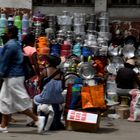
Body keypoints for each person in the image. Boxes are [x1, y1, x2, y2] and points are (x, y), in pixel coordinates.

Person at [0, 26, 45, 133]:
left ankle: (37, 119)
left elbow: (5, 62)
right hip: (12, 76)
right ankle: (3, 125)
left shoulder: (10, 45)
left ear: (10, 34)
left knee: (18, 101)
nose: (5, 33)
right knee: (4, 99)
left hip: (13, 76)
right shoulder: (16, 44)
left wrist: (1, 73)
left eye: (6, 32)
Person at [33, 54, 65, 131]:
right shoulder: (61, 74)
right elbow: (63, 87)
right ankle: (58, 121)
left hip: (45, 98)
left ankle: (34, 119)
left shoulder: (45, 71)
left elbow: (40, 85)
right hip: (58, 99)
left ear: (49, 62)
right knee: (62, 103)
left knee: (34, 99)